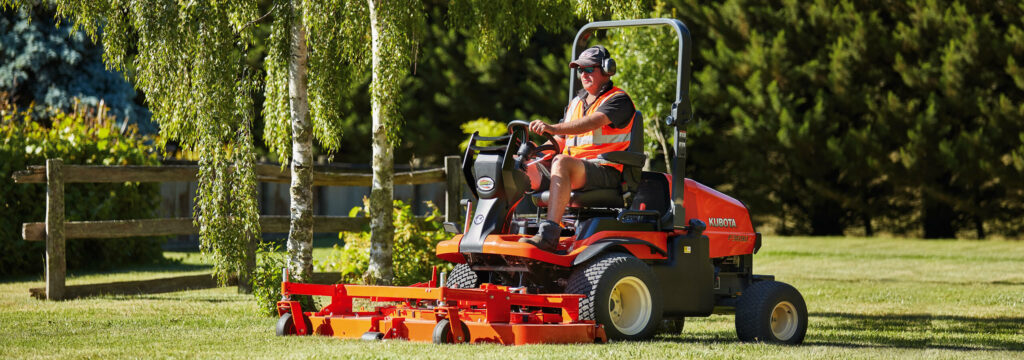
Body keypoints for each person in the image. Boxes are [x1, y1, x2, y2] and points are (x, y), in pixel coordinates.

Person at [521, 45, 636, 251]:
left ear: (607, 69)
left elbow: (592, 122)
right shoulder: (575, 103)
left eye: (589, 69)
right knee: (519, 166)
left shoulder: (618, 100)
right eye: (580, 70)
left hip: (605, 170)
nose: (583, 74)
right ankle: (500, 230)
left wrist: (552, 127)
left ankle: (548, 237)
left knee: (561, 162)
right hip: (572, 168)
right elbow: (560, 140)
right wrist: (533, 154)